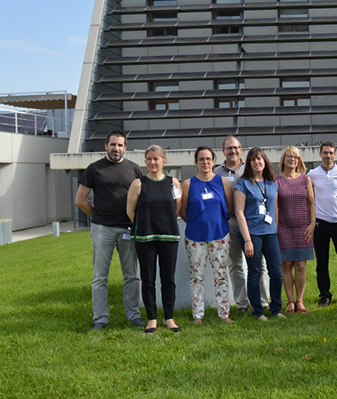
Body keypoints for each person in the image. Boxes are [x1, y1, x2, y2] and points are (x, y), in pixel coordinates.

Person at [75, 130, 144, 331]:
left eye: (120, 145)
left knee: (131, 275)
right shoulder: (94, 169)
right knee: (100, 277)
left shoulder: (134, 169)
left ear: (125, 147)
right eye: (113, 144)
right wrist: (97, 215)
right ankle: (100, 319)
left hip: (128, 228)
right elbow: (80, 200)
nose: (116, 148)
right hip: (102, 228)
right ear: (106, 146)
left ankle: (133, 315)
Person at [126, 145, 182, 334]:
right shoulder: (138, 184)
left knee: (168, 279)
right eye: (149, 159)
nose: (152, 162)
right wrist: (145, 226)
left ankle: (169, 317)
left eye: (156, 159)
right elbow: (130, 210)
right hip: (145, 238)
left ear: (164, 160)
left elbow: (177, 208)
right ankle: (152, 318)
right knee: (148, 279)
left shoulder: (173, 183)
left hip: (169, 236)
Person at [214, 136, 270, 313]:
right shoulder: (216, 173)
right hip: (229, 221)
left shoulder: (250, 167)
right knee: (235, 264)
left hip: (252, 221)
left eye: (236, 147)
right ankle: (242, 304)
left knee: (258, 263)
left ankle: (262, 301)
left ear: (241, 149)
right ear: (223, 151)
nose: (233, 151)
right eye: (229, 148)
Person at [179, 146, 234, 324]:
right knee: (197, 276)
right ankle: (198, 315)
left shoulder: (223, 181)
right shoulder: (188, 184)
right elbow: (183, 210)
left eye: (208, 158)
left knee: (221, 275)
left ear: (214, 161)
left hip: (219, 235)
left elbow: (230, 207)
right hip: (195, 237)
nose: (205, 162)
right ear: (196, 162)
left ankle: (224, 313)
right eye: (201, 159)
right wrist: (197, 223)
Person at [234, 147, 284, 321]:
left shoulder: (272, 183)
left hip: (270, 233)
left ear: (265, 162)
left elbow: (274, 208)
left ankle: (276, 309)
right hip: (252, 234)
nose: (257, 162)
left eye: (260, 159)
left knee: (276, 272)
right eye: (253, 159)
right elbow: (239, 212)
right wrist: (247, 240)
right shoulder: (243, 183)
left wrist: (275, 229)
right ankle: (258, 311)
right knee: (255, 272)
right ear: (249, 163)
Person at [308, 142, 337, 307]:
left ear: (335, 154)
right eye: (325, 153)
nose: (328, 156)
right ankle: (325, 295)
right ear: (320, 154)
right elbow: (308, 197)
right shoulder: (312, 174)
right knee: (322, 262)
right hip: (320, 223)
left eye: (331, 153)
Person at [276, 146, 316, 314]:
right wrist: (276, 228)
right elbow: (275, 206)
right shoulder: (276, 179)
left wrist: (313, 223)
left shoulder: (305, 178)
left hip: (303, 227)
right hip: (283, 227)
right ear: (283, 159)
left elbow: (311, 203)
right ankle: (290, 302)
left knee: (300, 265)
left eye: (296, 157)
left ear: (299, 160)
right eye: (289, 156)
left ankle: (300, 301)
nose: (292, 159)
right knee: (286, 266)